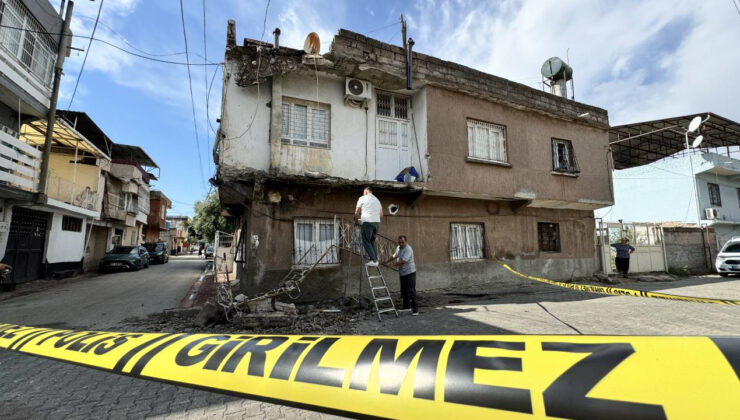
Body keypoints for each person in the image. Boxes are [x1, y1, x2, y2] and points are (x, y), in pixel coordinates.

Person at [385, 235, 418, 315]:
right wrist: (386, 261)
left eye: (402, 242)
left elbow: (403, 261)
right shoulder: (399, 248)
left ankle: (415, 310)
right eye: (399, 242)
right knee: (404, 291)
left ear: (406, 241)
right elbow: (394, 255)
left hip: (410, 273)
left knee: (411, 291)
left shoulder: (408, 249)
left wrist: (392, 265)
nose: (401, 244)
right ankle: (406, 307)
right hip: (402, 273)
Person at [355, 187, 383, 266]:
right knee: (371, 242)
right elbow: (381, 214)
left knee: (366, 241)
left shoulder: (362, 198)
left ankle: (374, 261)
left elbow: (357, 211)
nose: (363, 194)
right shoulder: (377, 200)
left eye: (364, 192)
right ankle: (375, 260)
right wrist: (373, 217)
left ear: (366, 192)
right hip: (376, 223)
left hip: (367, 223)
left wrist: (356, 220)